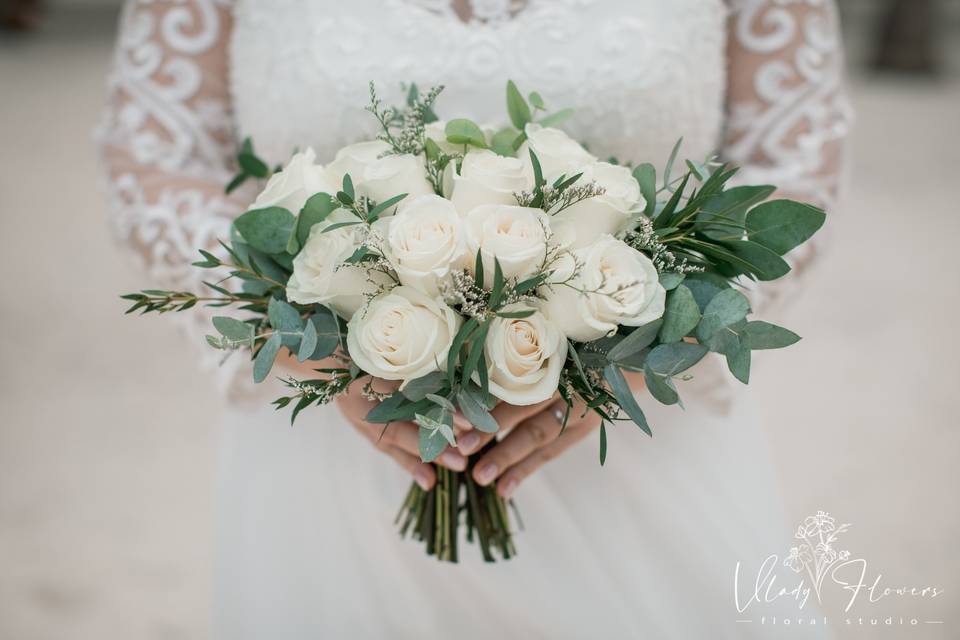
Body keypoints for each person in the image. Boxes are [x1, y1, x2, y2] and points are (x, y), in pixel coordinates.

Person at [99, 1, 851, 637]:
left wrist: (632, 352)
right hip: (327, 444)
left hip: (638, 438)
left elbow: (792, 167)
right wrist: (308, 347)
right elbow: (158, 158)